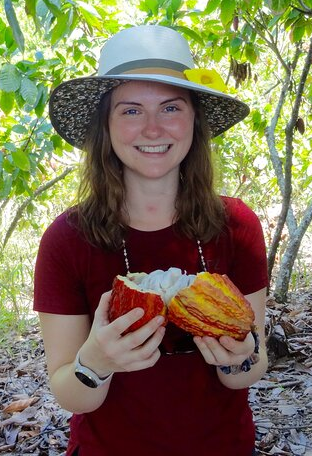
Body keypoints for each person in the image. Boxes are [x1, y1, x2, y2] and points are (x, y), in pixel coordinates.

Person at [34, 24, 268, 456]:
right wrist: (96, 362)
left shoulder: (236, 225)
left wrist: (239, 355)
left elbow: (251, 367)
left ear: (194, 119)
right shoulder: (66, 240)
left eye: (171, 108)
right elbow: (68, 391)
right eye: (131, 111)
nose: (154, 129)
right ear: (105, 124)